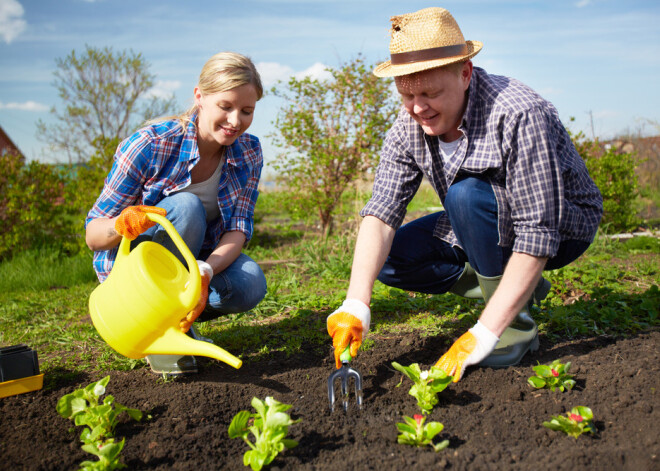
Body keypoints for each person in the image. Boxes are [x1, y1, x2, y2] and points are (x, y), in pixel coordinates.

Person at [326, 7, 602, 382]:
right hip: (481, 219)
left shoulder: (518, 113)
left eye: (430, 93)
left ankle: (513, 328)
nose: (418, 108)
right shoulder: (408, 127)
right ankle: (516, 287)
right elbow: (382, 212)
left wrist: (483, 333)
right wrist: (356, 304)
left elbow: (539, 231)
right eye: (406, 95)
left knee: (465, 196)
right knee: (390, 260)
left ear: (465, 73)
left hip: (562, 226)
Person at [85, 52, 267, 375]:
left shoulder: (249, 152)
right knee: (186, 207)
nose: (236, 121)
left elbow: (237, 230)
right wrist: (121, 223)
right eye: (225, 106)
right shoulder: (150, 145)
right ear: (200, 97)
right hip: (134, 281)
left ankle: (179, 322)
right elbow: (93, 235)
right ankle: (152, 323)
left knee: (251, 282)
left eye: (246, 110)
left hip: (189, 264)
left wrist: (206, 271)